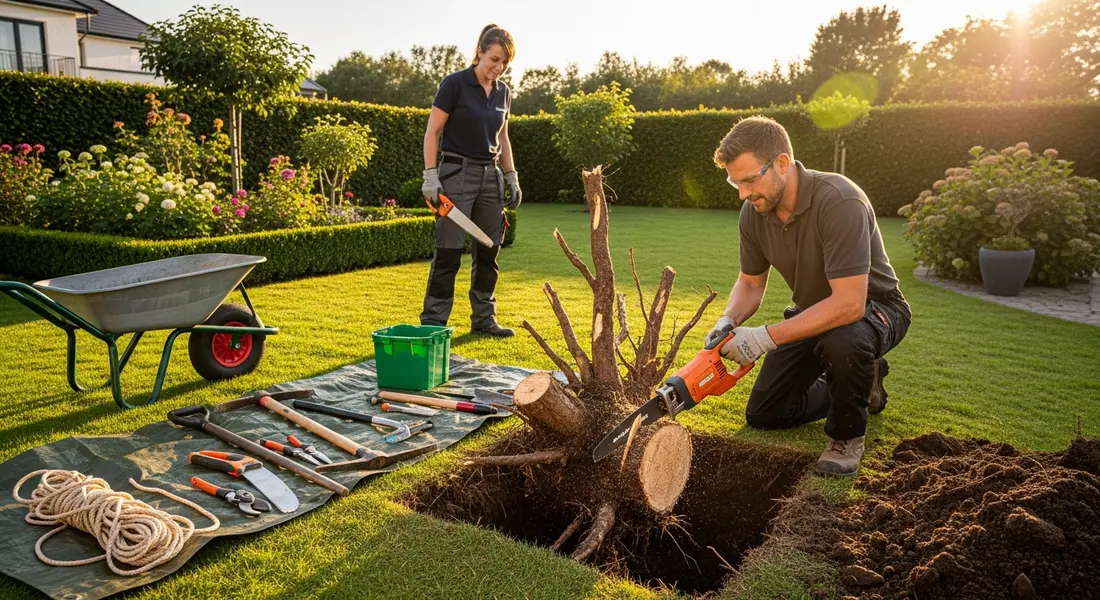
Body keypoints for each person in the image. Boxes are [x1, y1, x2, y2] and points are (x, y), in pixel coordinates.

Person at [705, 116, 911, 476]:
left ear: (782, 163)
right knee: (766, 413)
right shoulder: (754, 212)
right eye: (735, 182)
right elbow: (751, 284)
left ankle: (846, 437)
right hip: (813, 311)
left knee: (844, 341)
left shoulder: (840, 201)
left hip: (875, 308)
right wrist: (729, 320)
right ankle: (867, 379)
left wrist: (763, 338)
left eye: (750, 180)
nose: (742, 193)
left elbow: (849, 304)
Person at [419, 24, 521, 337]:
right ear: (479, 52)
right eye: (494, 59)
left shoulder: (504, 91)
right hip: (456, 173)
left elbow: (503, 136)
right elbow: (433, 131)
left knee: (489, 249)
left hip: (490, 177)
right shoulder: (455, 84)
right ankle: (434, 323)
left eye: (504, 62)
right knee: (449, 250)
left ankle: (484, 320)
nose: (498, 67)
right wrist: (430, 175)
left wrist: (511, 176)